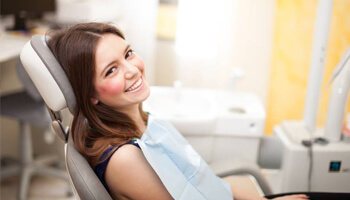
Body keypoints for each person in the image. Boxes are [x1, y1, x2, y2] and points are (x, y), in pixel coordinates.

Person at [47, 22, 308, 200]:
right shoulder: (124, 159)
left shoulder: (144, 124)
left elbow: (199, 184)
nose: (132, 69)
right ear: (90, 94)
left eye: (128, 54)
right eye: (111, 70)